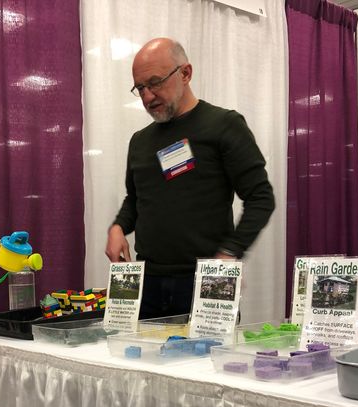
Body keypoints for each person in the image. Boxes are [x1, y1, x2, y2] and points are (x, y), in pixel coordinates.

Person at [105, 37, 275, 318]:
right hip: (147, 285)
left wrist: (230, 252)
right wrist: (118, 227)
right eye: (141, 87)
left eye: (156, 82)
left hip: (206, 281)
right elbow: (135, 199)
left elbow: (261, 198)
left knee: (208, 363)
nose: (147, 97)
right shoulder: (140, 141)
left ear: (185, 73)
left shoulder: (223, 125)